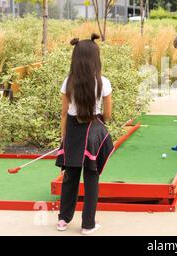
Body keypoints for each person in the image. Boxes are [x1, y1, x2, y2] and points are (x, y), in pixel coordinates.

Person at [55, 33, 114, 235]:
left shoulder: (67, 82)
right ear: (95, 58)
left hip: (72, 131)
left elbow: (64, 114)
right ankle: (88, 224)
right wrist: (101, 124)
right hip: (93, 130)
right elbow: (107, 114)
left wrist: (63, 140)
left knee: (70, 176)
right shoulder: (103, 82)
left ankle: (63, 220)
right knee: (91, 177)